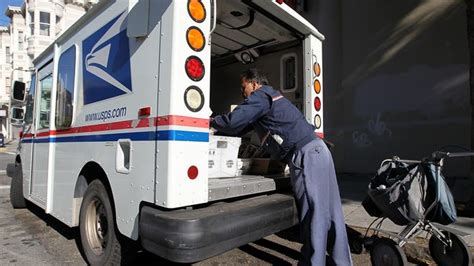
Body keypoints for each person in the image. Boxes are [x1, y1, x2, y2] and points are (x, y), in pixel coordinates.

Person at [210, 69, 352, 265]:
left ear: (253, 84)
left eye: (243, 87)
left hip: (306, 155)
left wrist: (210, 121)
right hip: (319, 150)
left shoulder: (260, 96)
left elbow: (234, 121)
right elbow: (241, 127)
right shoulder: (271, 98)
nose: (243, 93)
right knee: (331, 211)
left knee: (313, 214)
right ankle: (342, 261)